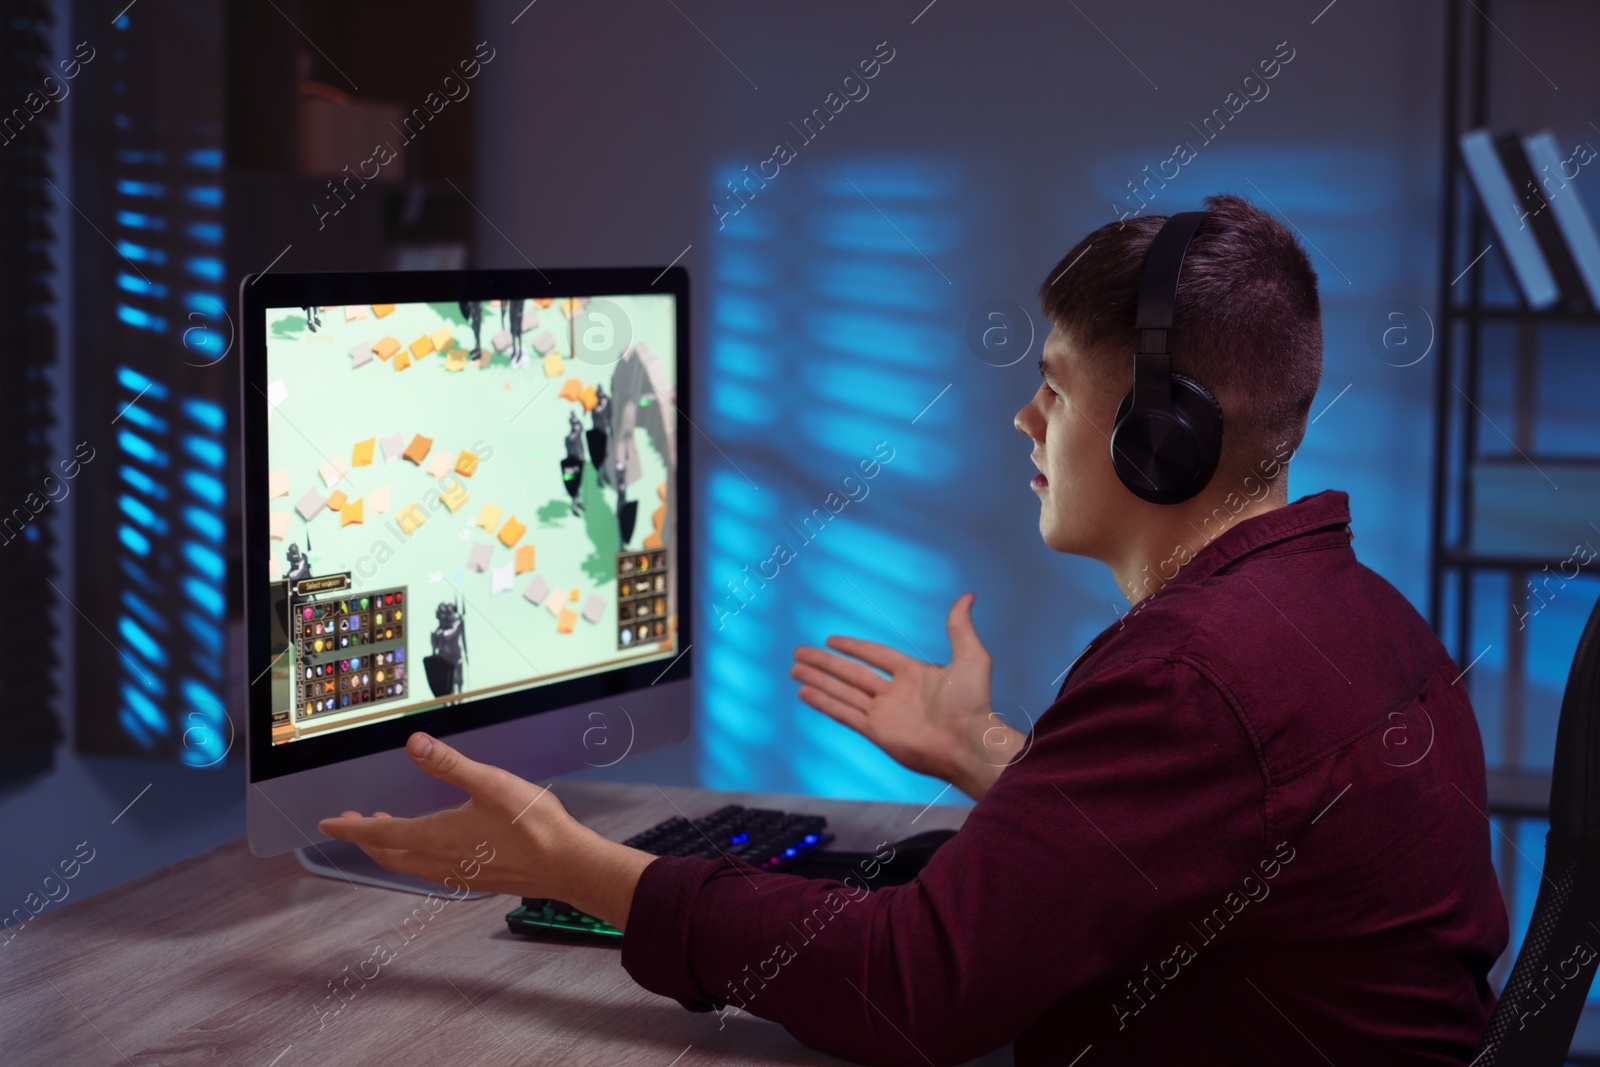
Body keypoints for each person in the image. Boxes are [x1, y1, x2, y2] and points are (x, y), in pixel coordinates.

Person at [318, 194, 1507, 1065]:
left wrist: (579, 865)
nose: (1022, 415)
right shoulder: (1358, 616)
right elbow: (1196, 861)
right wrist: (985, 750)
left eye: (1055, 384)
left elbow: (916, 986)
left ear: (1163, 433)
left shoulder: (1194, 672)